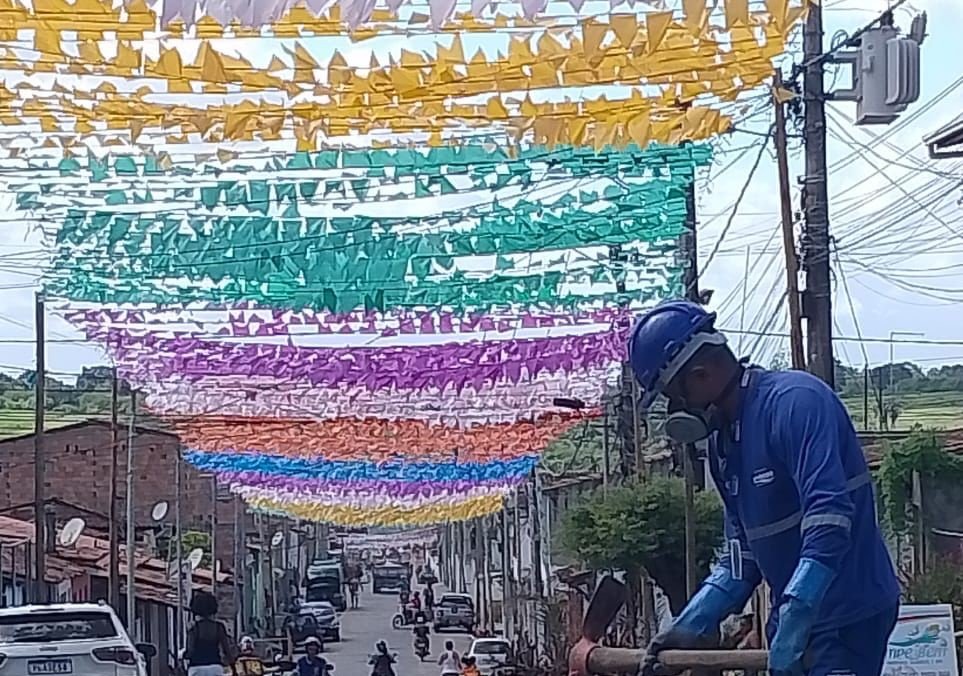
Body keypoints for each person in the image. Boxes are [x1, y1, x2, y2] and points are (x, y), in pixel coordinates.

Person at [629, 300, 900, 676]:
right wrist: (691, 623)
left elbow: (829, 520)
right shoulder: (723, 444)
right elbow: (742, 554)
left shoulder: (795, 403)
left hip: (848, 616)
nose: (677, 409)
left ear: (701, 375)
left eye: (676, 396)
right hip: (795, 619)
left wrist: (797, 615)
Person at [183, 591, 235, 676]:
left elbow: (190, 651)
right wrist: (233, 667)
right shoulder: (219, 627)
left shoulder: (194, 628)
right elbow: (227, 651)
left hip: (197, 667)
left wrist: (183, 655)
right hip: (215, 667)